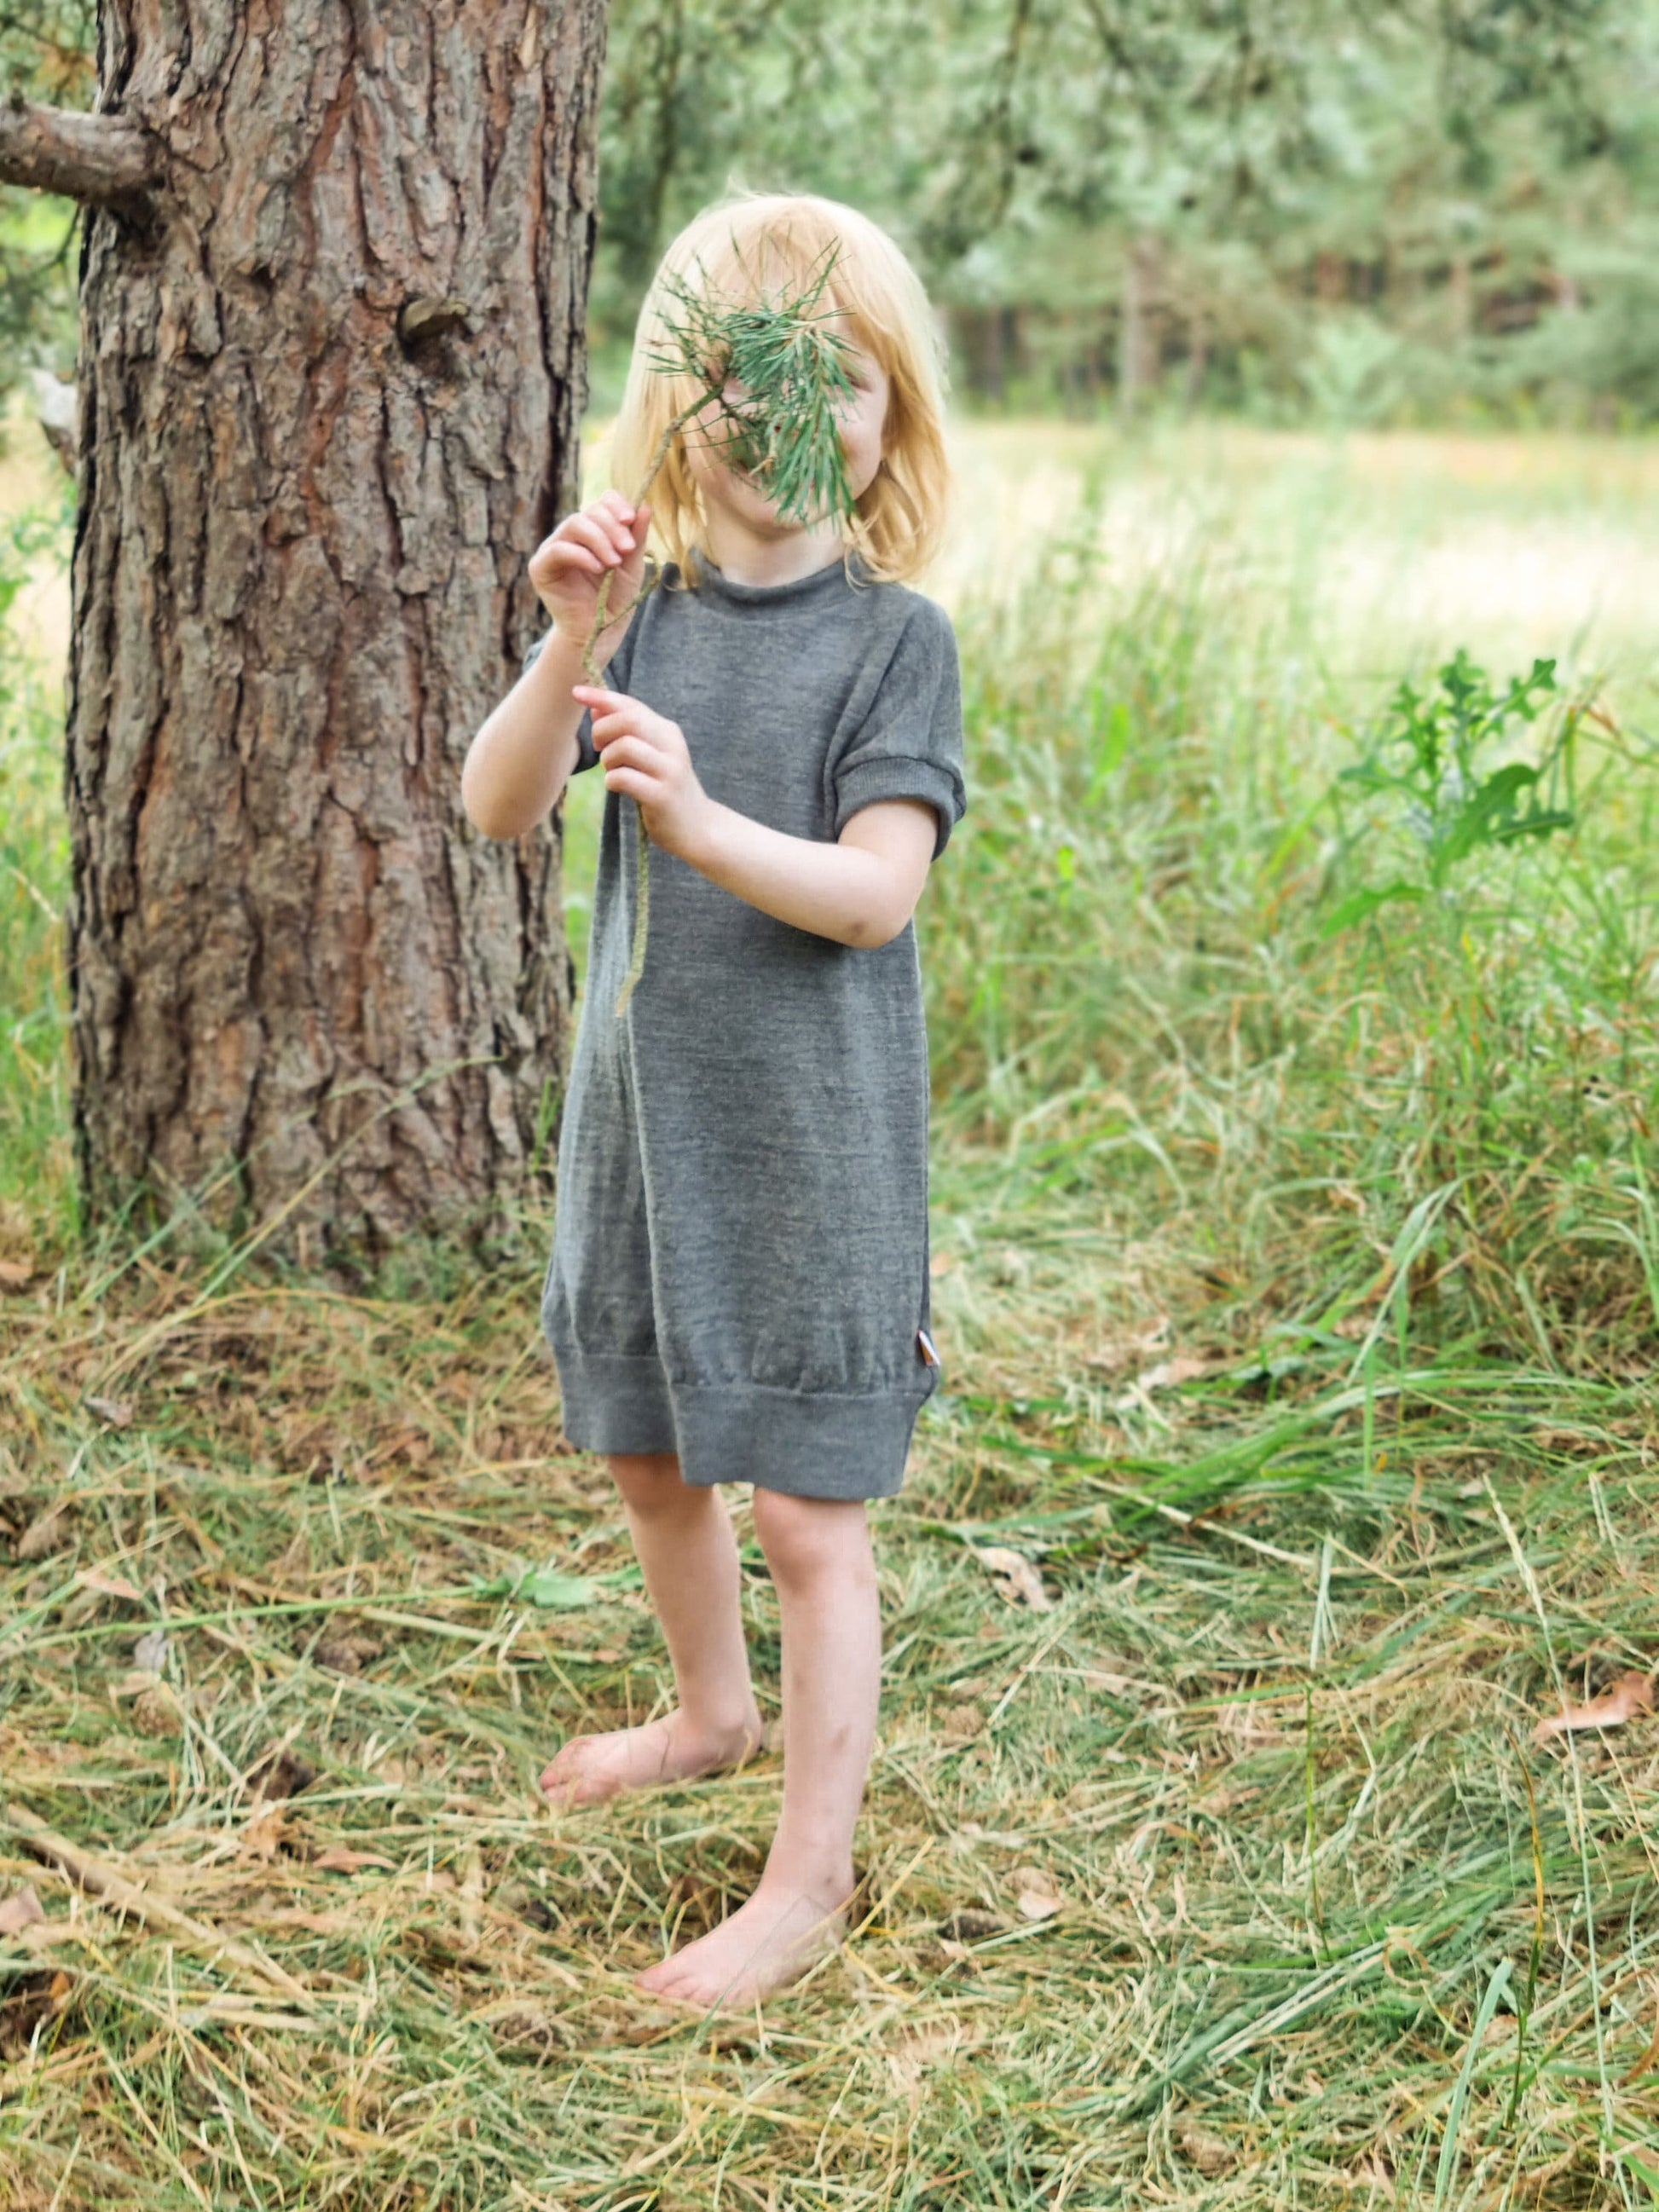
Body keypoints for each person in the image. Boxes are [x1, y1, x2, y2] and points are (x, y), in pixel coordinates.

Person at [461, 189, 967, 2010]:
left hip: (811, 1146)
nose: (789, 416)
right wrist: (565, 643)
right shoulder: (642, 618)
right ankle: (709, 1711)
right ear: (680, 407)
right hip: (646, 1132)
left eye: (839, 380)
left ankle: (807, 1884)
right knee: (648, 1446)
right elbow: (498, 806)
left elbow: (874, 893)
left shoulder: (892, 642)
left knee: (805, 1512)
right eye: (747, 377)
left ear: (892, 419)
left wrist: (694, 820)